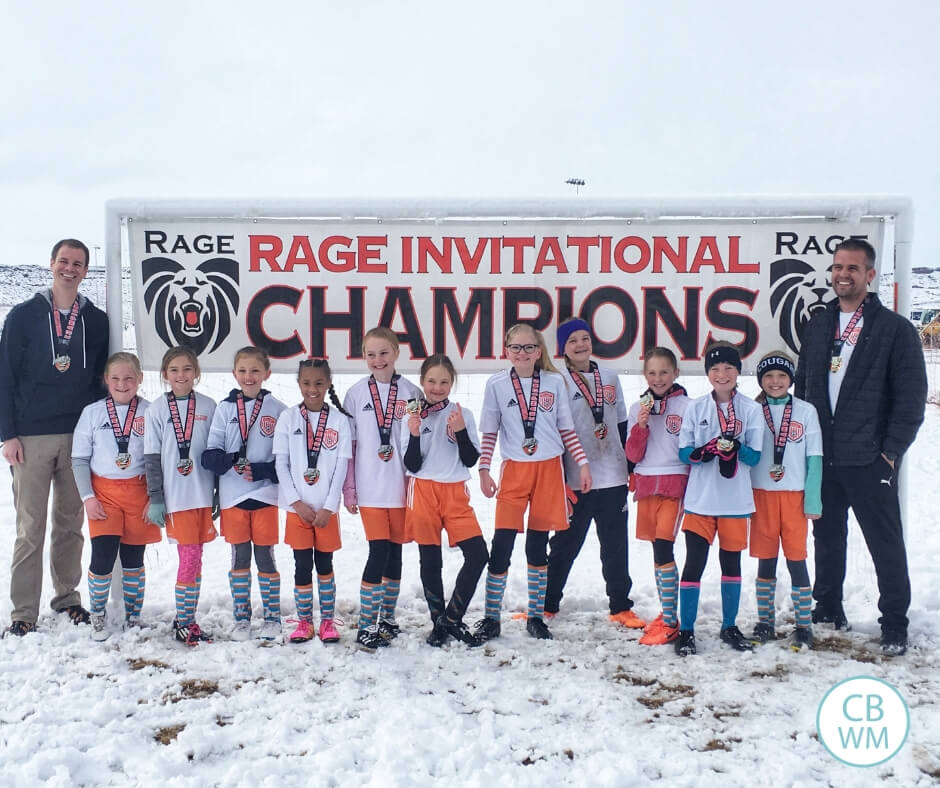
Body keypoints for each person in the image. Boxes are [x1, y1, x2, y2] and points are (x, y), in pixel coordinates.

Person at [794, 238, 926, 656]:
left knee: (884, 543)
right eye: (837, 268)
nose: (843, 275)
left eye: (852, 268)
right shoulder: (818, 324)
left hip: (869, 458)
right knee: (827, 537)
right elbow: (803, 386)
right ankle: (828, 608)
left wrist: (890, 452)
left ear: (870, 275)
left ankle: (894, 622)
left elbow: (910, 400)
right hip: (824, 456)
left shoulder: (894, 330)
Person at [1, 239, 109, 637]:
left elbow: (100, 380)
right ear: (51, 264)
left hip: (78, 436)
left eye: (78, 263)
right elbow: (5, 376)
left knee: (70, 523)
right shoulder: (24, 315)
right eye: (64, 261)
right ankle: (23, 612)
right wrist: (8, 433)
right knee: (30, 527)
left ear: (85, 270)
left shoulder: (96, 320)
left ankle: (67, 599)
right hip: (30, 436)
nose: (70, 268)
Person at [475, 323, 591, 642]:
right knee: (501, 545)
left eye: (529, 348)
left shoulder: (554, 382)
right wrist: (484, 469)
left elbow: (567, 430)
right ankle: (490, 617)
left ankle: (536, 616)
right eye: (516, 347)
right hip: (514, 471)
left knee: (537, 547)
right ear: (506, 350)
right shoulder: (497, 384)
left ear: (538, 352)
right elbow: (490, 432)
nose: (522, 353)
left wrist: (581, 464)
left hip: (549, 471)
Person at [545, 318, 644, 629]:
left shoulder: (611, 377)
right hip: (576, 477)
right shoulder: (555, 379)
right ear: (563, 347)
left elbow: (622, 426)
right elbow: (553, 430)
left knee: (615, 546)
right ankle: (547, 604)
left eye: (584, 338)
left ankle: (620, 606)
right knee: (564, 546)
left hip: (612, 474)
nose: (580, 345)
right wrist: (559, 479)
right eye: (572, 340)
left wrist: (631, 468)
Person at [674, 343, 763, 656]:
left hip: (735, 503)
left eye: (728, 368)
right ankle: (685, 631)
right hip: (700, 501)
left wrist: (736, 449)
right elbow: (684, 452)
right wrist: (703, 451)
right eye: (714, 369)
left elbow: (755, 457)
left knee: (731, 565)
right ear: (707, 373)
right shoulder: (695, 408)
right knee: (693, 565)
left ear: (738, 372)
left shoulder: (751, 410)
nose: (721, 374)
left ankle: (729, 625)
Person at [399, 354, 489, 647]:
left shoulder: (461, 413)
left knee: (478, 554)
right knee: (430, 559)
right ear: (422, 381)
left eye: (444, 382)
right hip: (423, 491)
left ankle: (452, 618)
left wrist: (461, 430)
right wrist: (414, 434)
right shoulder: (411, 415)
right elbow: (411, 465)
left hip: (454, 492)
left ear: (452, 383)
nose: (437, 387)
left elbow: (471, 459)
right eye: (431, 381)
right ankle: (438, 622)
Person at [342, 328, 421, 650]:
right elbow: (350, 445)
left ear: (396, 353)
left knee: (396, 553)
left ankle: (386, 617)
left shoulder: (412, 391)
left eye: (384, 352)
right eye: (371, 354)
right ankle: (366, 623)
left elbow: (417, 443)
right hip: (371, 488)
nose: (378, 360)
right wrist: (350, 488)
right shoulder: (356, 394)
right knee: (378, 551)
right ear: (364, 357)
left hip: (402, 490)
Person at [71, 352, 160, 640]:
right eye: (116, 378)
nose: (122, 384)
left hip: (138, 493)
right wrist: (88, 497)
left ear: (140, 379)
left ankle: (133, 616)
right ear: (106, 380)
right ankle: (97, 614)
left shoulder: (151, 412)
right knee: (103, 556)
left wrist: (154, 496)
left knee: (134, 559)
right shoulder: (93, 413)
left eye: (129, 378)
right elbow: (80, 459)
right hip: (104, 494)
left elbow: (160, 458)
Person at [202, 347, 286, 641]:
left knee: (265, 557)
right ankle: (241, 619)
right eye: (243, 371)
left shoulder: (278, 409)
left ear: (267, 374)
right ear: (234, 374)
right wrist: (229, 460)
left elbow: (286, 460)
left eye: (255, 371)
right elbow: (209, 455)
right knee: (240, 557)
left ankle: (273, 617)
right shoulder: (225, 409)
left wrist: (263, 470)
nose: (249, 377)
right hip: (233, 497)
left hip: (265, 495)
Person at [274, 359, 352, 645]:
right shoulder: (288, 419)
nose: (313, 389)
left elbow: (341, 468)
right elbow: (281, 464)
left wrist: (330, 506)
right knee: (301, 564)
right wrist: (296, 503)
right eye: (307, 383)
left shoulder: (340, 421)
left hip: (325, 511)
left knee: (325, 564)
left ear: (328, 384)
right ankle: (304, 621)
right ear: (299, 384)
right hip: (298, 511)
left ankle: (328, 621)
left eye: (319, 383)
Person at [749, 351, 822, 652]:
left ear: (790, 379)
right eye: (768, 376)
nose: (775, 381)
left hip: (794, 497)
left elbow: (814, 457)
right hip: (761, 496)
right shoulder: (752, 410)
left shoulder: (805, 411)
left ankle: (804, 625)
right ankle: (765, 621)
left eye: (781, 376)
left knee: (797, 561)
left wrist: (813, 500)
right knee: (765, 561)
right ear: (761, 380)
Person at [144, 346, 217, 646]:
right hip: (177, 498)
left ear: (196, 373)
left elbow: (215, 452)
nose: (181, 375)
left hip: (202, 496)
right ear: (164, 375)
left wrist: (218, 494)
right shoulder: (157, 410)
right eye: (174, 370)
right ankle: (184, 622)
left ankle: (187, 618)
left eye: (187, 369)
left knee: (196, 559)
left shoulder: (210, 406)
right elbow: (151, 457)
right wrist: (156, 497)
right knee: (189, 558)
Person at [625, 347, 690, 646]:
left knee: (665, 547)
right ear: (644, 375)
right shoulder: (638, 407)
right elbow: (633, 454)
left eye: (665, 372)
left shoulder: (688, 406)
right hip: (647, 484)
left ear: (676, 373)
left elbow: (690, 450)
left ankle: (672, 620)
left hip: (674, 482)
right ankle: (666, 615)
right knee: (656, 551)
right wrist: (640, 426)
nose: (658, 378)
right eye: (652, 372)